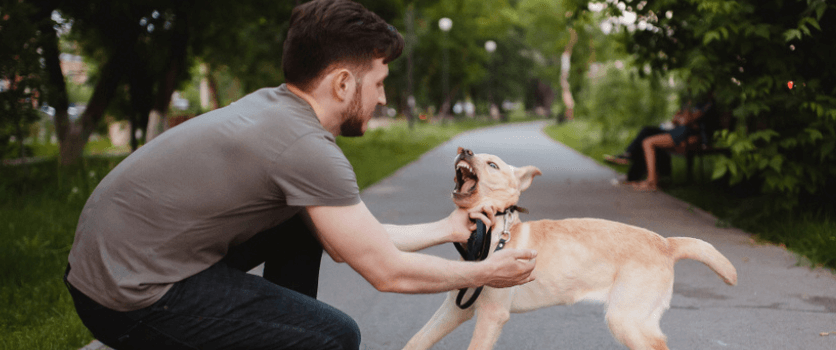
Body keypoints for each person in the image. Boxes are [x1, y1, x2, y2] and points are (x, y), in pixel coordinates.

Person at [63, 1, 537, 349]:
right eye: (379, 84)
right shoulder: (305, 148)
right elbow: (385, 271)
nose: (383, 99)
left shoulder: (277, 109)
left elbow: (355, 240)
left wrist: (446, 229)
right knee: (333, 336)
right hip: (129, 299)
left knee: (300, 226)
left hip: (112, 272)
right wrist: (485, 272)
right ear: (343, 83)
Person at [604, 93, 713, 191]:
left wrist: (683, 117)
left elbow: (685, 121)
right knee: (647, 131)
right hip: (681, 131)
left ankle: (651, 182)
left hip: (687, 135)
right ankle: (630, 160)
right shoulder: (695, 102)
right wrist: (681, 118)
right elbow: (676, 120)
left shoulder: (706, 105)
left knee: (648, 142)